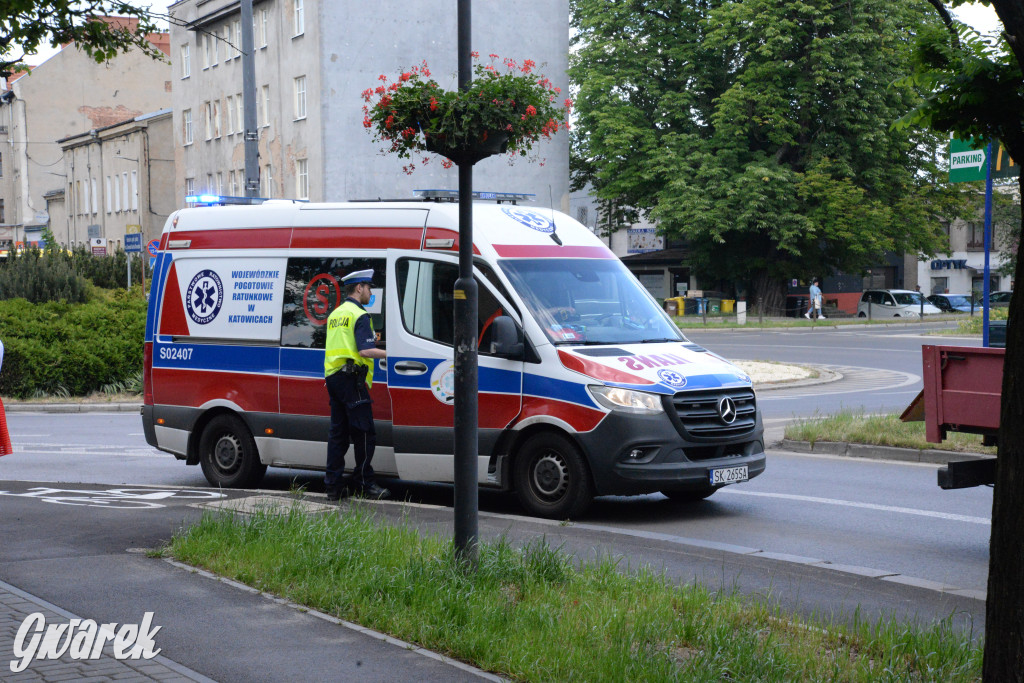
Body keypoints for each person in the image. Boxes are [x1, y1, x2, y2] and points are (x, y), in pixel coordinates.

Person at [323, 269, 389, 500]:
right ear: (359, 288)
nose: (370, 292)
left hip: (333, 378)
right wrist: (390, 353)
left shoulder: (336, 314)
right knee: (364, 433)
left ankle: (333, 486)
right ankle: (363, 482)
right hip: (352, 380)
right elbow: (364, 350)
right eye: (368, 287)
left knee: (338, 434)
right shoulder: (359, 315)